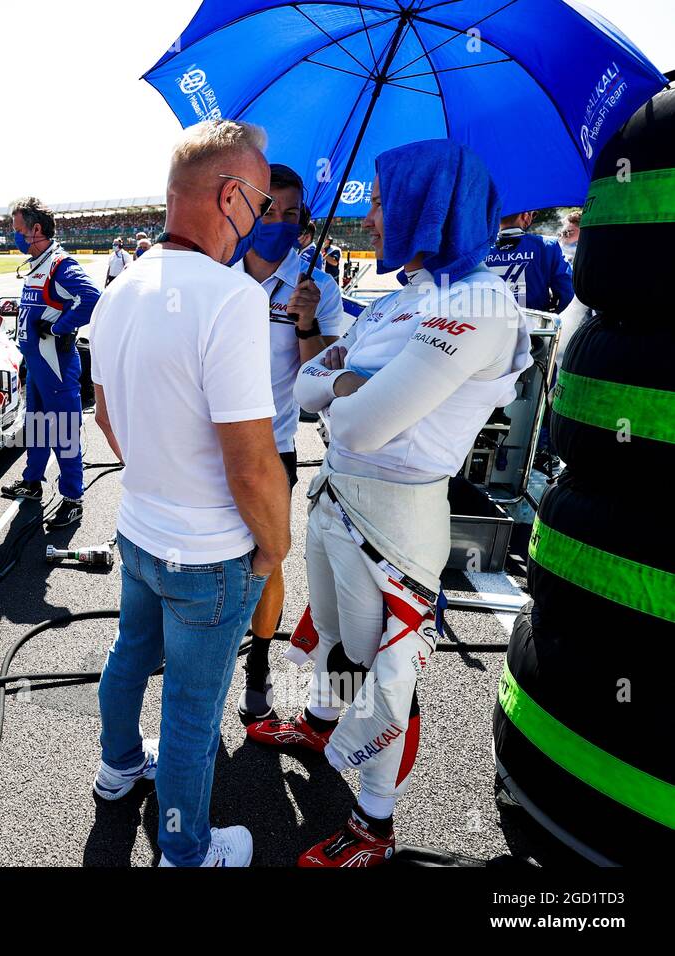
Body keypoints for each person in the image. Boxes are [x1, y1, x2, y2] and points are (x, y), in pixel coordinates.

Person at [252, 139, 531, 867]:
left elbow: (353, 415)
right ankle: (318, 722)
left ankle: (375, 825)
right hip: (338, 493)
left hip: (398, 517)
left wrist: (346, 387)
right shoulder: (411, 294)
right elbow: (314, 382)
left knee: (387, 671)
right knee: (339, 637)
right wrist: (349, 384)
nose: (370, 218)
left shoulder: (480, 303)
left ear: (427, 205)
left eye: (380, 201)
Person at [89, 119, 290, 868]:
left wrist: (156, 471)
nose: (265, 219)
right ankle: (184, 849)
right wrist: (277, 545)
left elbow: (108, 417)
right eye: (263, 204)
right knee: (194, 712)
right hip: (207, 555)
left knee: (128, 654)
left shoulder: (120, 288)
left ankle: (116, 770)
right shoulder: (230, 298)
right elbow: (251, 465)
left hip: (138, 529)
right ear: (231, 195)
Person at [230, 164, 343, 724]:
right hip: (211, 444)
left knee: (267, 560)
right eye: (266, 210)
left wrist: (305, 326)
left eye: (291, 214)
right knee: (206, 558)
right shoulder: (214, 271)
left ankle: (257, 668)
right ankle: (209, 658)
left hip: (273, 446)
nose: (277, 222)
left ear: (305, 222)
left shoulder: (316, 285)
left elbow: (326, 386)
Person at [1, 196, 101, 530]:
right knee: (39, 426)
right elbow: (43, 304)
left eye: (17, 230)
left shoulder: (60, 264)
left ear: (36, 229)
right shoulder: (37, 264)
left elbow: (92, 300)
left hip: (56, 366)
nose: (14, 236)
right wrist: (17, 311)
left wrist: (59, 326)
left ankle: (73, 499)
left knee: (65, 432)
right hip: (36, 365)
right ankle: (32, 482)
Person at [485, 209, 574, 312]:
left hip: (490, 323)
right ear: (525, 215)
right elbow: (567, 290)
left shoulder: (480, 251)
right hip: (534, 323)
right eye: (533, 214)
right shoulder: (547, 245)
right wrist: (554, 314)